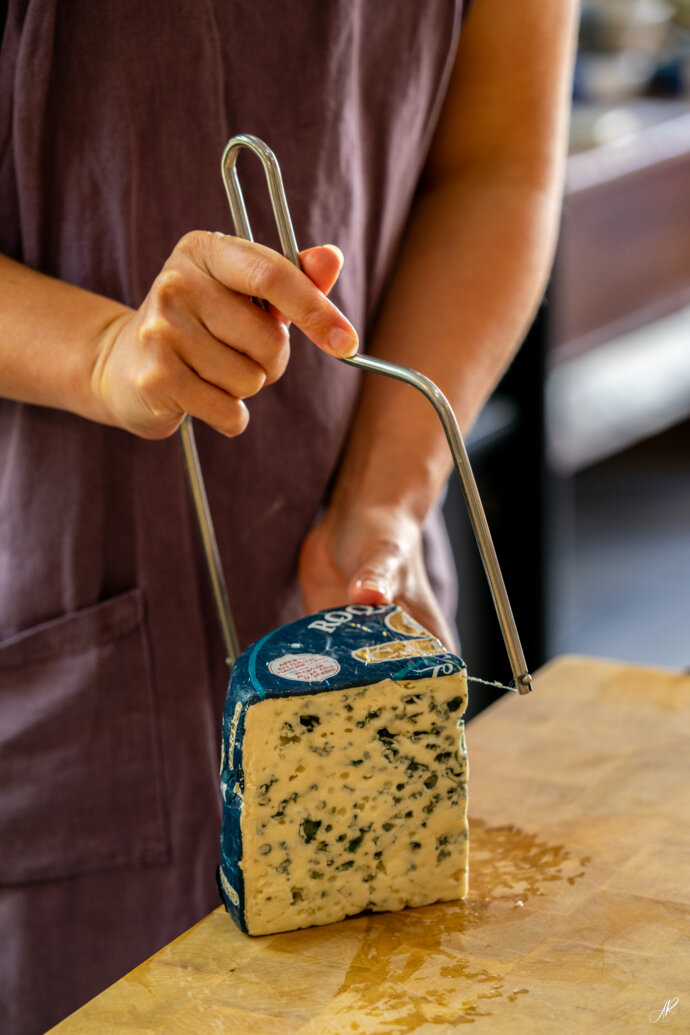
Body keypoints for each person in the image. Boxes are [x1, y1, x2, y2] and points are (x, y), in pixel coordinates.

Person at [0, 1, 578, 1031]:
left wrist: (384, 501)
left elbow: (499, 166)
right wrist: (100, 352)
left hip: (368, 557)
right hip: (55, 610)